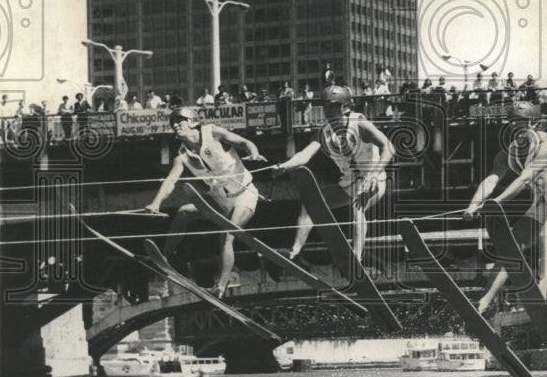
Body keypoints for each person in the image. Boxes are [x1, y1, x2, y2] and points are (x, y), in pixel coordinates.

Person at [463, 100, 547, 315]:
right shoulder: (509, 153)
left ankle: (541, 293)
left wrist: (496, 203)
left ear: (535, 124)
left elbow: (525, 180)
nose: (518, 128)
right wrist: (473, 205)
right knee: (510, 249)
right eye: (514, 123)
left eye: (523, 123)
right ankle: (484, 302)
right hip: (541, 205)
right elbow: (491, 179)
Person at [145, 108, 266, 297]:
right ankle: (165, 257)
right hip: (219, 201)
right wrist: (156, 203)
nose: (176, 125)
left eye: (180, 120)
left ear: (193, 121)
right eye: (172, 123)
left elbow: (244, 142)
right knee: (184, 211)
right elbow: (170, 182)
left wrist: (254, 153)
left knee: (227, 234)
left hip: (244, 195)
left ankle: (221, 286)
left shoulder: (212, 133)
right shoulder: (182, 157)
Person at [272, 84, 395, 267]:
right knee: (311, 203)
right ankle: (295, 253)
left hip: (373, 180)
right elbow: (304, 155)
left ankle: (356, 259)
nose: (327, 111)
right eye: (325, 106)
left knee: (357, 206)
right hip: (348, 184)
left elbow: (389, 147)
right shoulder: (324, 132)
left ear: (344, 106)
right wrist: (284, 166)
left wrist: (373, 174)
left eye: (332, 106)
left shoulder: (360, 123)